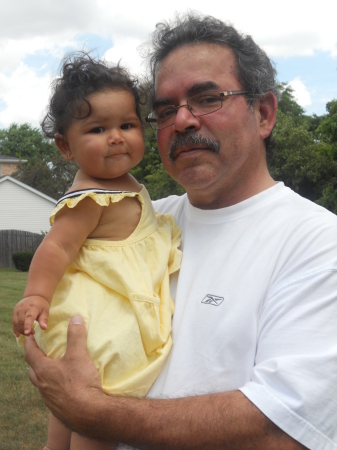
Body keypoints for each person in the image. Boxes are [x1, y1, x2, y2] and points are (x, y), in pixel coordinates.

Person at [24, 13, 337, 450]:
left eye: (208, 98)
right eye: (165, 110)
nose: (184, 120)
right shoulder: (143, 223)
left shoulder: (318, 243)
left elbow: (284, 428)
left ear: (263, 113)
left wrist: (94, 413)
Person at [12, 53, 182, 450]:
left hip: (98, 318)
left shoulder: (123, 183)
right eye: (97, 129)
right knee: (98, 415)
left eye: (127, 125)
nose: (116, 137)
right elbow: (55, 247)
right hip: (99, 331)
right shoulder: (91, 198)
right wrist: (36, 294)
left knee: (68, 411)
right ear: (65, 146)